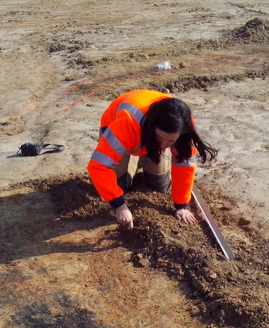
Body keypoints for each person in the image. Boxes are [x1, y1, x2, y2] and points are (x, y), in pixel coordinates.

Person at [87, 89, 217, 230]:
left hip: (147, 135)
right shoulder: (126, 123)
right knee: (120, 185)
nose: (163, 145)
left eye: (171, 141)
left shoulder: (184, 127)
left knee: (159, 186)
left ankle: (139, 157)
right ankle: (130, 159)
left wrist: (181, 205)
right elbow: (98, 166)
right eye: (160, 137)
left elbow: (185, 167)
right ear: (152, 127)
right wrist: (119, 205)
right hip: (119, 126)